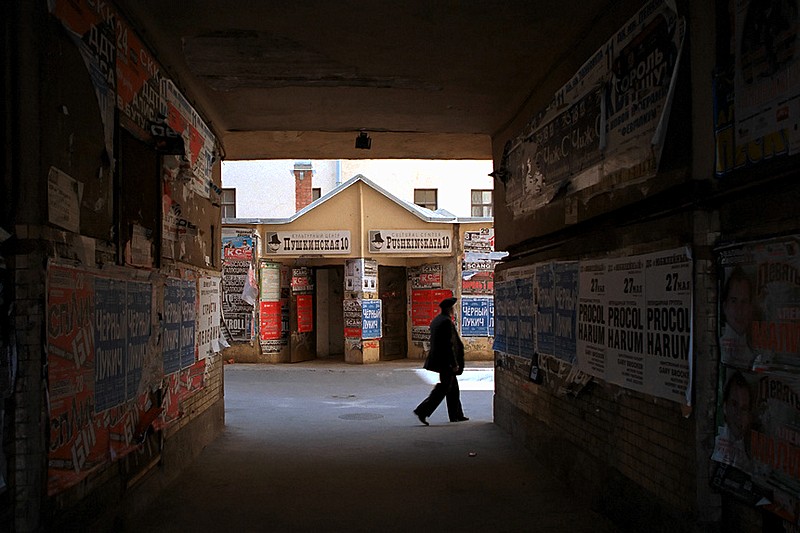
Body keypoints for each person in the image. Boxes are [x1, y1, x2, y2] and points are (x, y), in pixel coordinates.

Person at [414, 297, 468, 425]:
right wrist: (454, 363)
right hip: (445, 362)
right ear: (450, 309)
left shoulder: (437, 320)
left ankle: (456, 414)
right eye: (453, 308)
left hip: (441, 360)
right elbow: (448, 345)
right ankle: (423, 410)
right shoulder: (446, 322)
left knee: (453, 388)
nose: (454, 310)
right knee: (444, 387)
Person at [711, 371, 754, 471]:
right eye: (734, 405)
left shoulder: (751, 454)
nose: (738, 415)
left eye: (744, 409)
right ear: (725, 407)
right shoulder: (716, 444)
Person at [720, 267, 756, 369]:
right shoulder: (716, 345)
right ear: (725, 306)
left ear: (750, 307)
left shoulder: (758, 349)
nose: (739, 310)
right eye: (734, 301)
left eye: (744, 301)